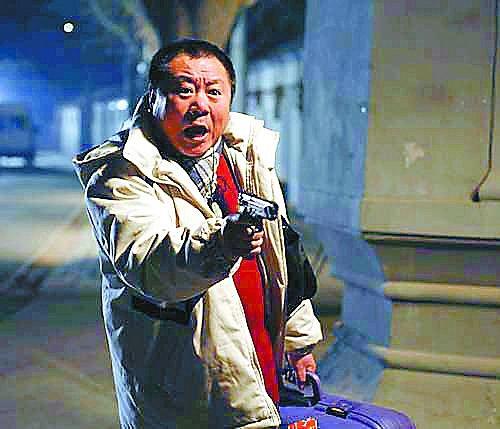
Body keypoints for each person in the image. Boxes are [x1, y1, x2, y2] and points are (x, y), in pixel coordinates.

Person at [73, 39, 323, 428]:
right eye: (184, 90)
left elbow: (281, 253)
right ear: (153, 98)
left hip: (260, 362)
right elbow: (149, 263)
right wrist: (221, 243)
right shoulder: (120, 172)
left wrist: (298, 341)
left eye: (214, 92)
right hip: (181, 384)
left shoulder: (246, 154)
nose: (200, 105)